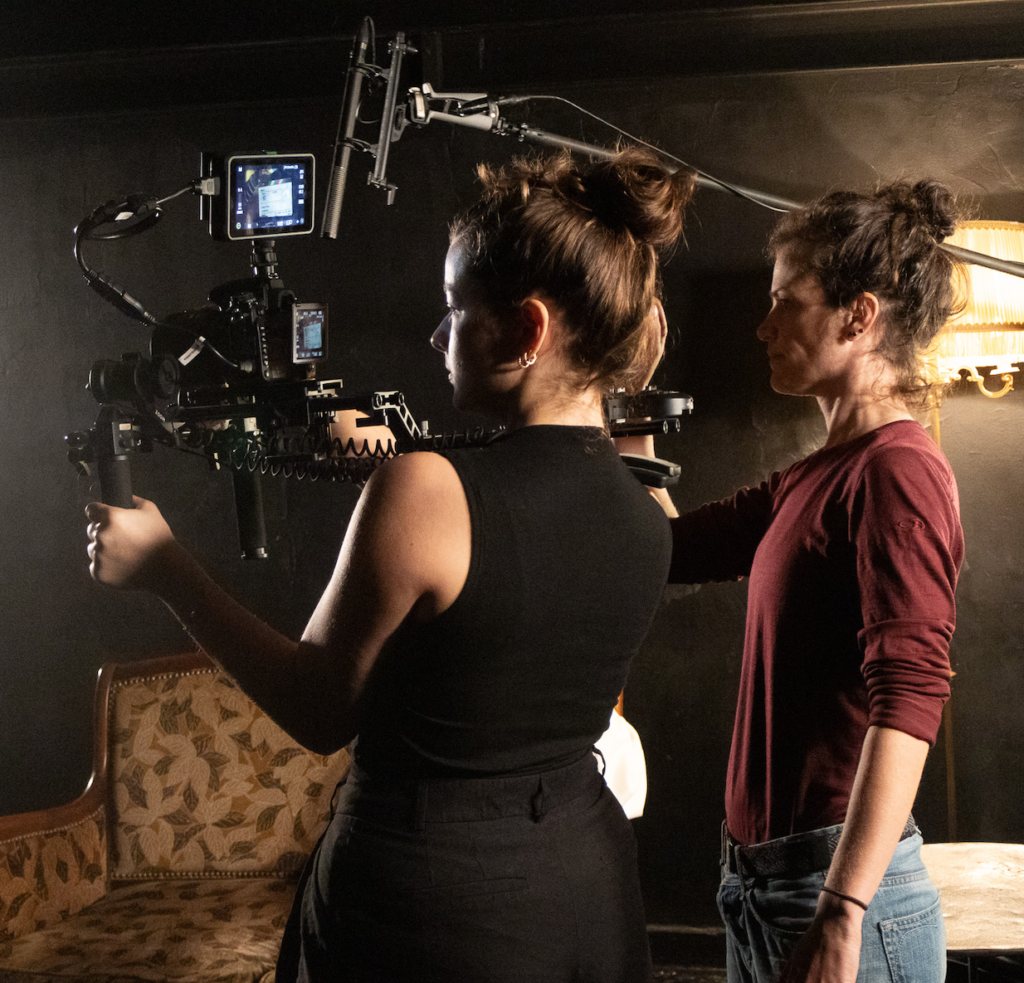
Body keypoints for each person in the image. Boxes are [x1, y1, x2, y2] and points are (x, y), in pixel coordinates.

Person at [85, 147, 695, 983]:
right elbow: (528, 510)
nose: (438, 334)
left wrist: (166, 568)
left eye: (455, 307)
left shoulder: (423, 489)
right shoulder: (647, 506)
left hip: (434, 904)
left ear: (528, 330)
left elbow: (317, 708)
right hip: (587, 885)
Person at [622, 180, 966, 982]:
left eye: (787, 302)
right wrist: (630, 400)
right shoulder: (817, 475)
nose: (764, 325)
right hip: (765, 888)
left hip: (837, 895)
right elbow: (665, 549)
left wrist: (842, 911)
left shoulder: (898, 472)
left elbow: (911, 697)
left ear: (859, 316)